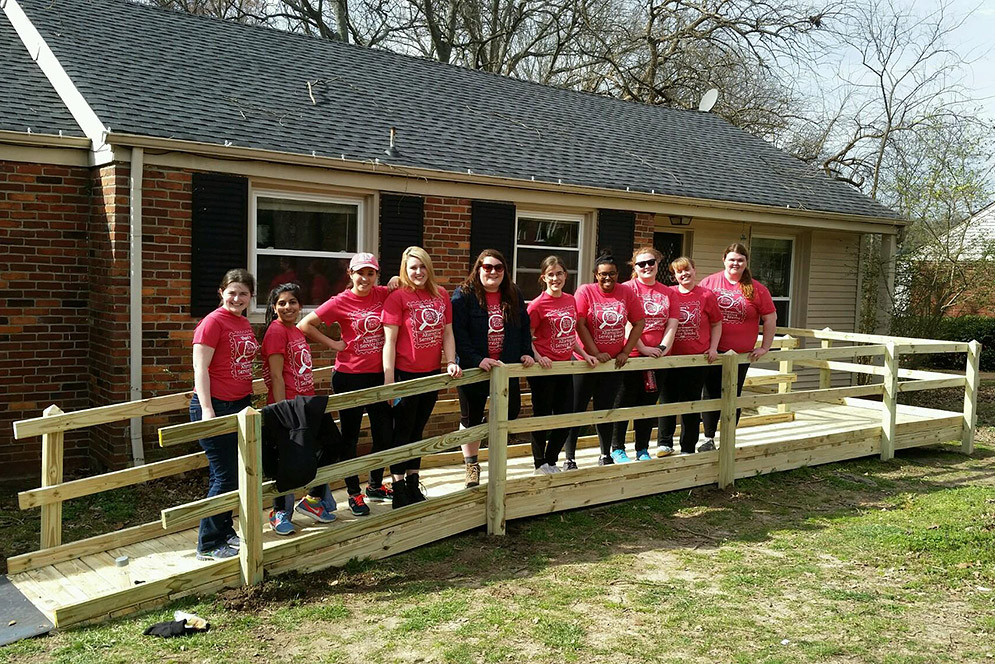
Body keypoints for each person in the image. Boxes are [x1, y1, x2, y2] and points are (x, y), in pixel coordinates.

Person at [299, 252, 395, 516]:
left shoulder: (384, 294)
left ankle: (375, 484)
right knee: (350, 437)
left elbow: (404, 285)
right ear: (350, 274)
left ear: (377, 275)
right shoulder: (340, 301)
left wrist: (398, 279)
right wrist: (335, 344)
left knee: (384, 433)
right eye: (360, 273)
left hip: (379, 375)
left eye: (370, 273)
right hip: (349, 375)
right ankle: (355, 493)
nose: (365, 278)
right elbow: (305, 325)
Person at [382, 246, 462, 508]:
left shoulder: (440, 295)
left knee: (418, 430)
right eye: (412, 267)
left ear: (429, 268)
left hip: (431, 374)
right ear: (404, 269)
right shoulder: (398, 297)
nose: (418, 272)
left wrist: (451, 361)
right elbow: (390, 342)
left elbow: (448, 333)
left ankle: (414, 483)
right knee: (402, 431)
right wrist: (389, 380)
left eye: (422, 266)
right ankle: (398, 487)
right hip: (405, 375)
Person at [190, 269, 258, 560]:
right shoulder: (212, 323)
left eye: (243, 293)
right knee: (224, 475)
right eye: (232, 292)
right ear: (221, 292)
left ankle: (225, 532)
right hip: (216, 406)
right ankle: (207, 543)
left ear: (250, 297)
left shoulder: (242, 322)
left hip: (240, 404)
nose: (237, 298)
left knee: (234, 474)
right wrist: (207, 409)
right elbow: (200, 369)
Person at [452, 249, 534, 488]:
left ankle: (493, 451)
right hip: (475, 368)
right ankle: (472, 465)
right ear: (478, 269)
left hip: (504, 367)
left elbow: (522, 326)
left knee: (511, 411)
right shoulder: (464, 295)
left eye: (498, 267)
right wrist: (477, 359)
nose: (493, 272)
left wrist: (526, 352)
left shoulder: (513, 293)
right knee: (471, 418)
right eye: (487, 267)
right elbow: (459, 333)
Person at [261, 283, 338, 536]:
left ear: (300, 305)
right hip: (288, 408)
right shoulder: (276, 331)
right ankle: (280, 512)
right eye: (282, 303)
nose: (288, 307)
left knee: (331, 446)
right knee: (288, 460)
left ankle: (314, 501)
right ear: (274, 308)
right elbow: (275, 375)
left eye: (292, 302)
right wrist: (284, 412)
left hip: (306, 404)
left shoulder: (295, 330)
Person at [563, 254, 645, 469]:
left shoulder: (626, 292)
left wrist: (626, 351)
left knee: (605, 409)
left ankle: (605, 454)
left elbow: (639, 322)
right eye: (602, 274)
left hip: (612, 365)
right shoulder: (586, 291)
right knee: (576, 408)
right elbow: (579, 324)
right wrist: (595, 352)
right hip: (585, 361)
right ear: (595, 275)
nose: (607, 278)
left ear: (618, 274)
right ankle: (569, 457)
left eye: (612, 274)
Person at [698, 243, 777, 451]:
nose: (736, 263)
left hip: (741, 354)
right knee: (711, 394)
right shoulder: (709, 283)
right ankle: (708, 438)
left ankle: (727, 437)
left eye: (740, 260)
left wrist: (765, 347)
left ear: (746, 263)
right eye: (732, 259)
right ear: (724, 259)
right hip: (713, 351)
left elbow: (770, 318)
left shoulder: (757, 289)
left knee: (733, 395)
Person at [527, 256, 597, 474]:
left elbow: (570, 334)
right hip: (545, 370)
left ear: (565, 275)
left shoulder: (570, 300)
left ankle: (551, 460)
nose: (555, 278)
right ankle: (539, 463)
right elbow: (526, 338)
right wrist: (538, 357)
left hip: (565, 367)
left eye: (559, 273)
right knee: (542, 416)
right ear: (543, 278)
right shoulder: (537, 305)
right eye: (551, 274)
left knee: (566, 415)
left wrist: (585, 354)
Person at [610, 247, 678, 462]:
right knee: (623, 403)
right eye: (641, 264)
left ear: (658, 263)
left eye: (651, 262)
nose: (646, 267)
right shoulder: (626, 289)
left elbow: (672, 324)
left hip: (657, 360)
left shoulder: (668, 292)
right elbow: (626, 322)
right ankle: (617, 448)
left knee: (647, 406)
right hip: (629, 358)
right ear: (634, 267)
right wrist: (642, 348)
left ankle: (642, 449)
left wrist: (661, 349)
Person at [657, 257, 722, 456]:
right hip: (670, 357)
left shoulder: (706, 295)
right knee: (667, 401)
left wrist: (713, 348)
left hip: (696, 358)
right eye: (679, 272)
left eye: (687, 270)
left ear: (695, 270)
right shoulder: (669, 293)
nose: (684, 274)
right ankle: (665, 444)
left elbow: (716, 323)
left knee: (691, 402)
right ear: (674, 275)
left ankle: (687, 446)